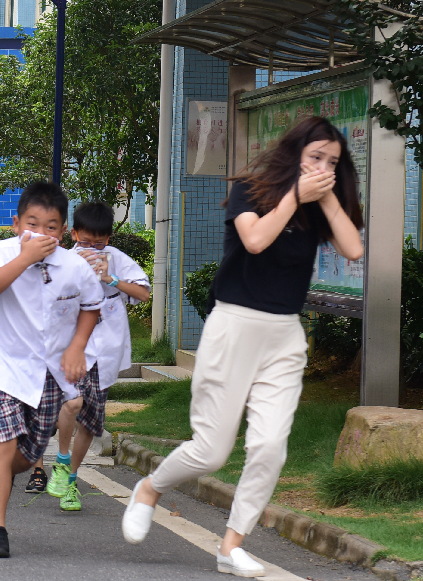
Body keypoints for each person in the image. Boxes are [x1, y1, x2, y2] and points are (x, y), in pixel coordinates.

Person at [121, 116, 364, 578]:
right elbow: (255, 240)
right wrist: (297, 195)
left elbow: (353, 248)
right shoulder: (250, 191)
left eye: (332, 162)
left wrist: (326, 196)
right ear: (294, 153)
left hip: (284, 335)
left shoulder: (318, 206)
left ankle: (231, 546)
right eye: (315, 157)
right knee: (212, 451)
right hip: (234, 326)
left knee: (270, 446)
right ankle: (149, 489)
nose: (322, 167)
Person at [0, 181, 104, 558]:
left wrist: (77, 347)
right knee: (1, 444)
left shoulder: (74, 266)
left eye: (51, 226)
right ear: (16, 224)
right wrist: (24, 259)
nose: (41, 233)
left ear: (62, 231)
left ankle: (0, 474)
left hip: (49, 374)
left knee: (25, 458)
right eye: (33, 223)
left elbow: (92, 306)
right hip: (0, 367)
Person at [42, 201, 151, 511]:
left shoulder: (116, 260)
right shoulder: (61, 262)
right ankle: (62, 459)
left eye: (99, 243)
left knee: (91, 423)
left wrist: (110, 278)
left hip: (104, 353)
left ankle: (70, 479)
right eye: (85, 242)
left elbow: (143, 293)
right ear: (73, 234)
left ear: (108, 240)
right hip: (70, 349)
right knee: (73, 403)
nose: (91, 248)